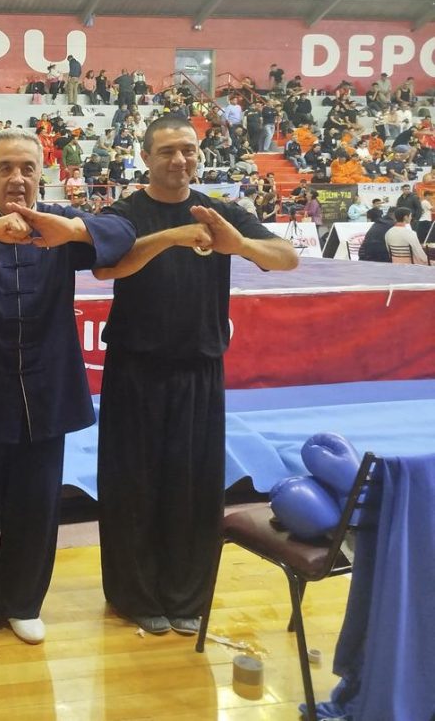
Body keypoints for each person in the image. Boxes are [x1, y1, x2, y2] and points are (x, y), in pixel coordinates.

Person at [0, 130, 134, 645]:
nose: (17, 178)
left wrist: (75, 232)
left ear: (42, 173)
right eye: (6, 167)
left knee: (36, 504)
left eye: (28, 168)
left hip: (46, 388)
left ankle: (23, 601)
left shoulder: (58, 223)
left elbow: (122, 232)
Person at [94, 115, 298, 636]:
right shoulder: (125, 213)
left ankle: (186, 595)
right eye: (167, 151)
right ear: (145, 157)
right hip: (135, 369)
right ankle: (134, 595)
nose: (179, 160)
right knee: (132, 486)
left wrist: (239, 245)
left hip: (200, 368)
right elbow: (104, 267)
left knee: (195, 488)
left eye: (188, 149)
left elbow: (287, 257)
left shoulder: (222, 213)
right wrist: (172, 237)